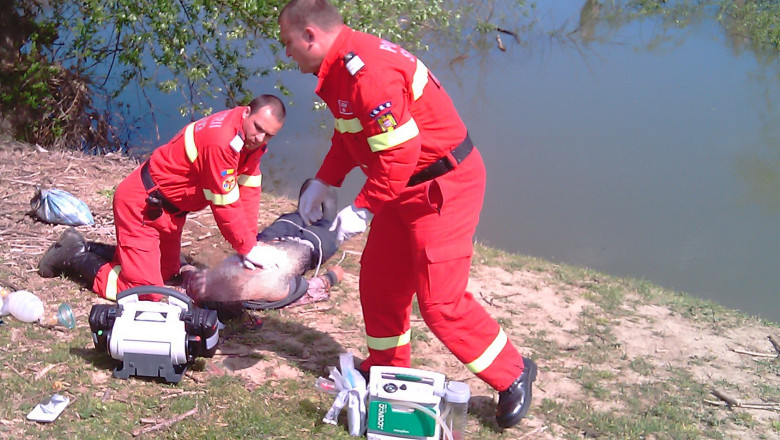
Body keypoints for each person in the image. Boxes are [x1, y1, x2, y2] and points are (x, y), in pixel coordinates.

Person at [278, 0, 537, 429]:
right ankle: (388, 367)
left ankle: (513, 372)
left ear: (310, 35)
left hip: (442, 188)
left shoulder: (367, 72)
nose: (287, 54)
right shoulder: (342, 68)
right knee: (380, 282)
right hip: (403, 188)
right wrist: (326, 181)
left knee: (440, 304)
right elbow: (350, 136)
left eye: (288, 43)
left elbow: (400, 153)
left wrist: (362, 209)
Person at [38, 95, 288, 302]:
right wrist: (246, 247)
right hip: (143, 207)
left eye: (268, 136)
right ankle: (72, 257)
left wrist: (250, 241)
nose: (260, 139)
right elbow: (224, 204)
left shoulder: (248, 142)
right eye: (258, 128)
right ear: (246, 113)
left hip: (169, 213)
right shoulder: (222, 142)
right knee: (146, 293)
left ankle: (91, 248)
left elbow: (249, 189)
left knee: (166, 274)